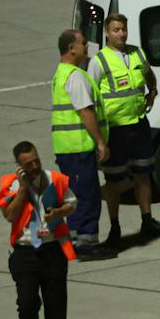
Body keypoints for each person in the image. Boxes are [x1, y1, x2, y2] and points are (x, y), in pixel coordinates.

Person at [89, 12, 160, 247]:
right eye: (116, 30)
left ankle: (147, 221)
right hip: (115, 130)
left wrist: (152, 91)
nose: (121, 34)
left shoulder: (136, 52)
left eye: (124, 29)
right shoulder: (100, 61)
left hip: (138, 124)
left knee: (143, 174)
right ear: (107, 32)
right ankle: (115, 228)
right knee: (113, 180)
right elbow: (91, 94)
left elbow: (147, 73)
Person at [0, 141, 77, 319]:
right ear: (19, 165)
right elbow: (9, 215)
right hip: (25, 254)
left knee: (56, 308)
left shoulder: (55, 179)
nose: (34, 166)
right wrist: (23, 188)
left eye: (36, 161)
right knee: (26, 306)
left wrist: (60, 212)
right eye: (28, 164)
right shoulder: (11, 185)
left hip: (52, 250)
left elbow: (72, 203)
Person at [50, 29, 109, 259]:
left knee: (75, 196)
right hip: (78, 148)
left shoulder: (61, 74)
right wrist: (101, 142)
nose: (87, 48)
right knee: (87, 196)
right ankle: (86, 244)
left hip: (67, 149)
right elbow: (86, 112)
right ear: (71, 49)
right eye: (83, 43)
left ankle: (75, 241)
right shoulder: (75, 77)